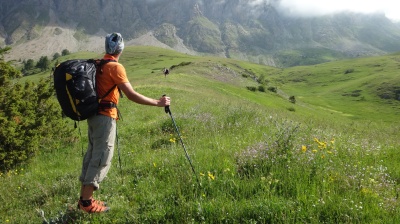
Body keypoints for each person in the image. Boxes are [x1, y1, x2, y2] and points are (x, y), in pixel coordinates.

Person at [78, 32, 171, 213]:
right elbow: (131, 95)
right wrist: (158, 103)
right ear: (121, 49)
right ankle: (87, 204)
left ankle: (83, 200)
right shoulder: (115, 67)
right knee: (101, 157)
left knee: (91, 156)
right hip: (105, 116)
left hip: (93, 115)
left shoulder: (98, 65)